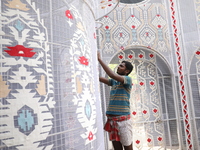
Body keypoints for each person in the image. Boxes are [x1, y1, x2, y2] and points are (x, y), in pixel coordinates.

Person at [98, 51, 133, 150]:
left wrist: (99, 59)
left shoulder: (127, 79)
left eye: (121, 66)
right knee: (117, 148)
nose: (118, 67)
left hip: (123, 121)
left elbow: (112, 75)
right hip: (112, 121)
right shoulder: (114, 82)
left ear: (126, 71)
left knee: (128, 147)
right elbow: (99, 79)